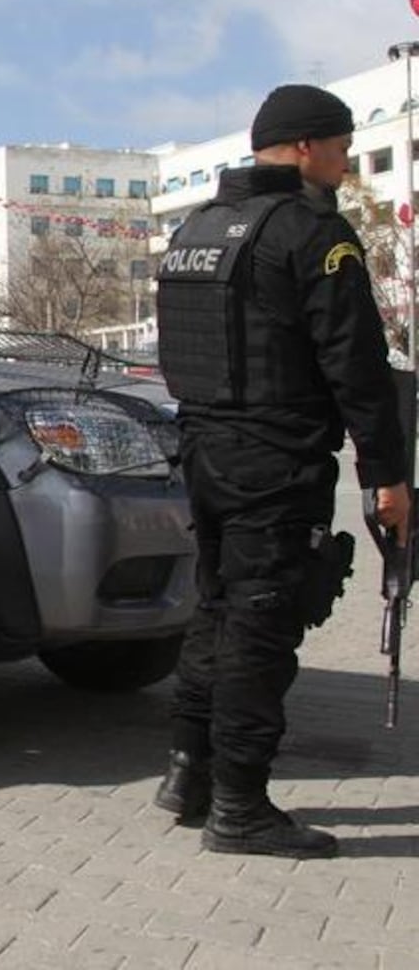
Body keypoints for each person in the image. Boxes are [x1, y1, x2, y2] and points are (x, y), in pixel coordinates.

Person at [153, 83, 411, 859]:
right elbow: (357, 366)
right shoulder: (310, 232)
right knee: (260, 627)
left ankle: (189, 772)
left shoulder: (196, 229)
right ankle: (240, 807)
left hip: (205, 450)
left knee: (218, 609)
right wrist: (388, 475)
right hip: (275, 457)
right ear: (305, 147)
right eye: (339, 146)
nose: (344, 160)